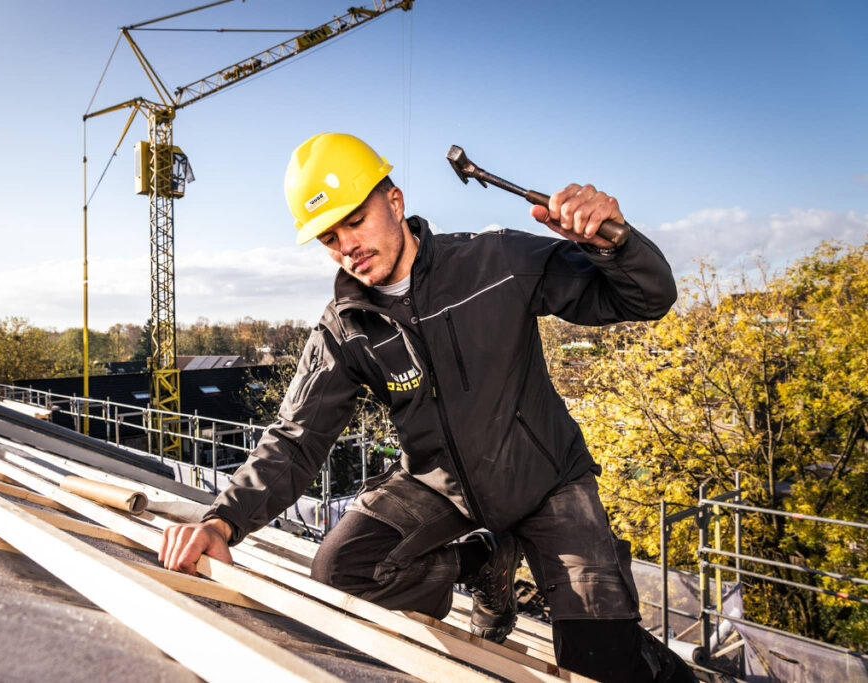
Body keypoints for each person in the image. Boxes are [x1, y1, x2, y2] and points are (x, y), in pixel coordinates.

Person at [160, 133, 694, 682]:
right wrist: (222, 521)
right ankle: (484, 562)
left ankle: (667, 671)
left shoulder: (497, 262)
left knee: (599, 665)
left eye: (355, 220)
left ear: (394, 202)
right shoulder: (345, 327)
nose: (347, 244)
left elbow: (646, 297)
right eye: (329, 236)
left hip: (548, 482)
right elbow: (297, 438)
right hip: (439, 485)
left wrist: (614, 243)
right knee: (341, 573)